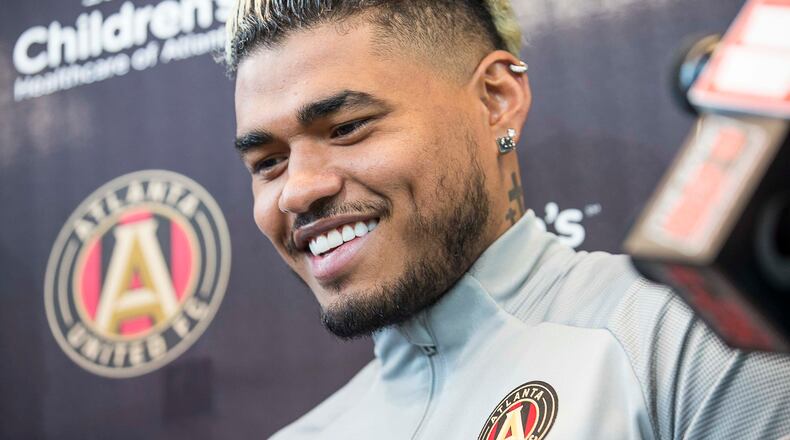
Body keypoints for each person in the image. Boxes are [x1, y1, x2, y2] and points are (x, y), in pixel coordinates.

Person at [225, 0, 790, 438]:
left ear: (496, 99)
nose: (297, 191)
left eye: (347, 127)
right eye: (268, 162)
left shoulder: (689, 336)